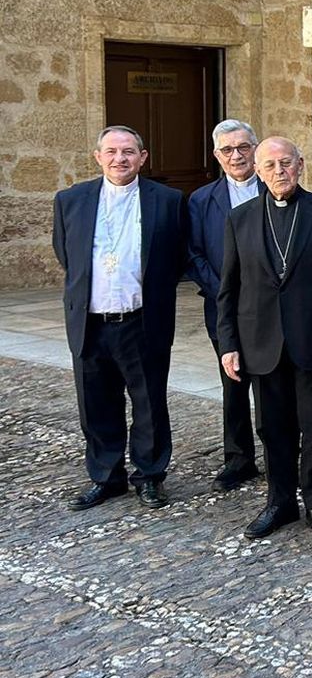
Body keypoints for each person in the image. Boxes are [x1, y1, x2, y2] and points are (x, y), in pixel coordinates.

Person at [218, 137, 312, 542]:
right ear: (257, 169)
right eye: (269, 165)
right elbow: (229, 288)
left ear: (301, 165)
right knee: (272, 428)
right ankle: (279, 502)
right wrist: (228, 343)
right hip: (261, 342)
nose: (278, 171)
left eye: (285, 163)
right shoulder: (240, 219)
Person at [55, 126, 186, 511]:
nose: (119, 159)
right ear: (98, 157)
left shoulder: (168, 200)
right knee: (95, 404)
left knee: (148, 402)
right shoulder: (70, 200)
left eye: (128, 152)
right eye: (111, 151)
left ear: (143, 158)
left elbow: (177, 257)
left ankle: (149, 475)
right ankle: (106, 477)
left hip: (142, 320)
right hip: (90, 321)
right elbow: (67, 255)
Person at [186, 119, 264, 491]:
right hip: (224, 308)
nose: (237, 156)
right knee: (233, 384)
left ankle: (281, 452)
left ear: (256, 149)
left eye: (244, 147)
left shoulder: (274, 187)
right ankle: (239, 459)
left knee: (272, 385)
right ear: (217, 156)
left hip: (271, 309)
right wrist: (224, 292)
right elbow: (194, 254)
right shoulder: (202, 200)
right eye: (228, 150)